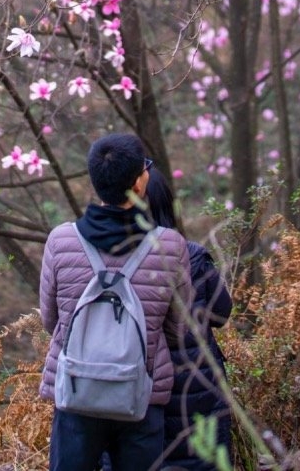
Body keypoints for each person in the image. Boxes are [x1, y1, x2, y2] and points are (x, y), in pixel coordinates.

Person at [39, 133, 193, 471]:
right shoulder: (170, 246)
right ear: (139, 184)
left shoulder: (60, 240)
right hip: (140, 394)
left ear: (95, 183)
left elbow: (52, 320)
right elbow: (179, 329)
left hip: (77, 394)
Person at [146, 166, 233, 471]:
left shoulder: (120, 261)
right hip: (199, 387)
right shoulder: (193, 255)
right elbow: (222, 313)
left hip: (143, 389)